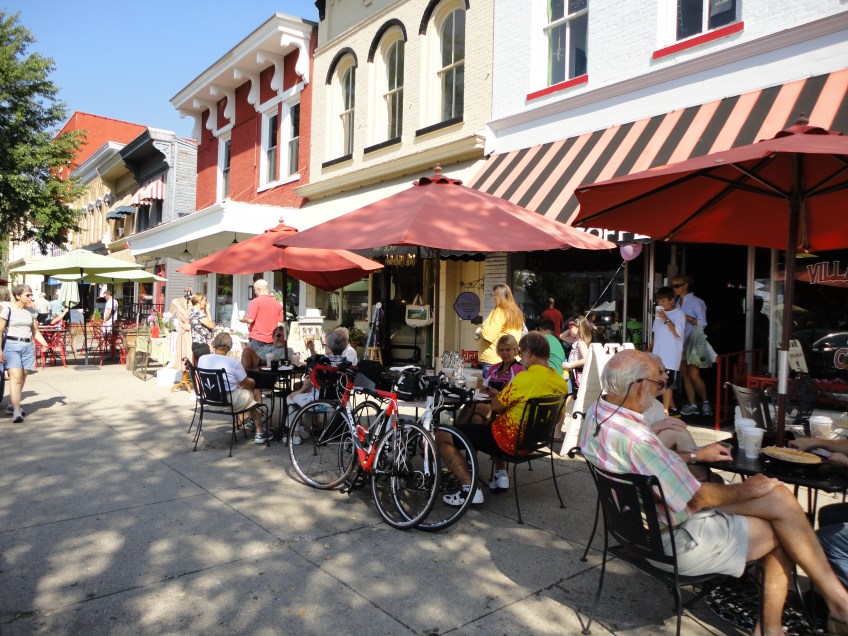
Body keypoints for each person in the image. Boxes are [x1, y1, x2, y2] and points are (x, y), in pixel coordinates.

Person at [580, 349, 848, 636]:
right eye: (657, 383)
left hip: (635, 528)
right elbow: (697, 497)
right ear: (638, 386)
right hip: (669, 540)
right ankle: (779, 626)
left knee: (780, 498)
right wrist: (750, 487)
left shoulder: (598, 413)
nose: (661, 388)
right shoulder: (637, 438)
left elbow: (651, 465)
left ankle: (837, 604)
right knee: (784, 531)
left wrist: (695, 455)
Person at [440, 332, 568, 506]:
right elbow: (558, 417)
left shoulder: (525, 378)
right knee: (476, 420)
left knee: (442, 434)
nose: (520, 357)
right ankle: (496, 473)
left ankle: (469, 489)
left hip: (506, 440)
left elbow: (495, 406)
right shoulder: (560, 383)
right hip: (533, 442)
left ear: (529, 352)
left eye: (521, 353)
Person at [197, 332, 269, 445]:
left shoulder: (202, 359)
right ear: (229, 347)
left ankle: (248, 420)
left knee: (246, 394)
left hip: (209, 401)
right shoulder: (233, 363)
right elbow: (246, 384)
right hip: (229, 402)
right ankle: (259, 432)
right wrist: (253, 381)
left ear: (214, 344)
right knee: (255, 391)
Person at [286, 328, 352, 445]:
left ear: (329, 347)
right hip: (339, 402)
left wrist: (299, 391)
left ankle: (294, 434)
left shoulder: (322, 363)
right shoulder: (347, 363)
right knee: (303, 398)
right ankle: (306, 430)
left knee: (291, 398)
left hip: (318, 403)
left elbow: (310, 383)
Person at [0, 284, 49, 423]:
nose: (30, 297)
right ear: (18, 296)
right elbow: (0, 330)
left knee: (23, 376)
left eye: (31, 295)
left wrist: (44, 343)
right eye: (27, 295)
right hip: (11, 345)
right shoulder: (8, 310)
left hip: (28, 346)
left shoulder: (31, 312)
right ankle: (17, 410)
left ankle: (12, 404)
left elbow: (35, 331)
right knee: (15, 377)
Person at [457, 334, 525, 427]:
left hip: (504, 409)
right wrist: (484, 389)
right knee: (476, 418)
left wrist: (498, 394)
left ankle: (455, 431)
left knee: (471, 406)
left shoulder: (519, 370)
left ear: (515, 350)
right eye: (501, 350)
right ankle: (471, 436)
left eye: (508, 349)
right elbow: (483, 388)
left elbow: (515, 398)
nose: (504, 353)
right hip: (488, 404)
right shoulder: (494, 368)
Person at [672, 274, 713, 417]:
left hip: (692, 342)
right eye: (673, 286)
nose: (674, 288)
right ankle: (693, 404)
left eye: (677, 285)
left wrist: (687, 318)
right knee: (685, 375)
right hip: (680, 342)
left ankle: (706, 403)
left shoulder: (697, 302)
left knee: (694, 375)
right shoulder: (676, 303)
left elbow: (703, 323)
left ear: (686, 285)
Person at [650, 286, 685, 415]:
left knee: (668, 384)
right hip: (657, 355)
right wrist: (649, 350)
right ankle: (673, 409)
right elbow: (656, 334)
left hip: (670, 355)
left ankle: (666, 411)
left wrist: (665, 318)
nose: (660, 303)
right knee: (656, 382)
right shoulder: (659, 315)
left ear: (672, 300)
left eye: (663, 301)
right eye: (659, 301)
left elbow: (678, 334)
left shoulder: (679, 314)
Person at [476, 284, 524, 375]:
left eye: (493, 294)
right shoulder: (515, 311)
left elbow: (489, 335)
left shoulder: (500, 311)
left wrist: (479, 332)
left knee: (492, 384)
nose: (492, 298)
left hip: (495, 359)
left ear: (498, 296)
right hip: (510, 356)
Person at [240, 279, 282, 352]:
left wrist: (242, 319)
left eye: (254, 290)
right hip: (272, 339)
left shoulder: (256, 301)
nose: (254, 292)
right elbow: (280, 324)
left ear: (258, 290)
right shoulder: (277, 303)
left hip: (257, 339)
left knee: (257, 359)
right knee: (269, 359)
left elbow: (250, 320)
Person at [562, 316, 592, 396]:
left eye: (571, 326)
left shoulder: (580, 343)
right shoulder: (575, 340)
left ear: (579, 328)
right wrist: (573, 326)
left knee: (571, 394)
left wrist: (571, 365)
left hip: (576, 373)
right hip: (572, 373)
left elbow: (586, 359)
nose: (569, 328)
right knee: (570, 394)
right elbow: (562, 336)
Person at [188, 293, 216, 363]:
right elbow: (211, 325)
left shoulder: (194, 312)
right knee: (206, 366)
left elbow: (209, 323)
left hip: (200, 344)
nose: (206, 303)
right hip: (201, 345)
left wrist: (207, 310)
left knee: (204, 366)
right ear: (199, 300)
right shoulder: (197, 312)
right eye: (205, 300)